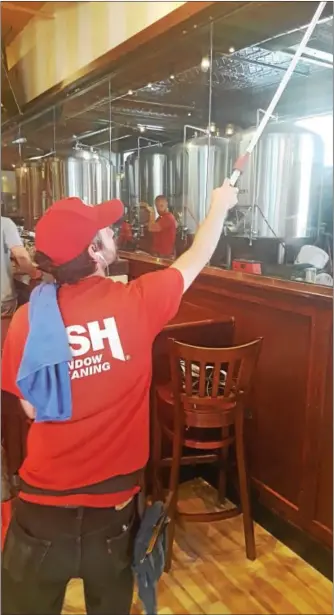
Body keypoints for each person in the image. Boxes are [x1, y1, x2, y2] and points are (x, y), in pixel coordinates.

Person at [1, 180, 238, 615]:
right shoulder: (137, 301)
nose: (114, 232)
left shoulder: (25, 320)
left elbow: (31, 408)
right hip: (113, 512)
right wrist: (219, 205)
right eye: (105, 231)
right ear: (95, 252)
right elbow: (197, 256)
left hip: (41, 511)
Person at [1, 216, 40, 346]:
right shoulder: (5, 223)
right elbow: (21, 255)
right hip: (2, 296)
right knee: (4, 345)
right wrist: (34, 273)